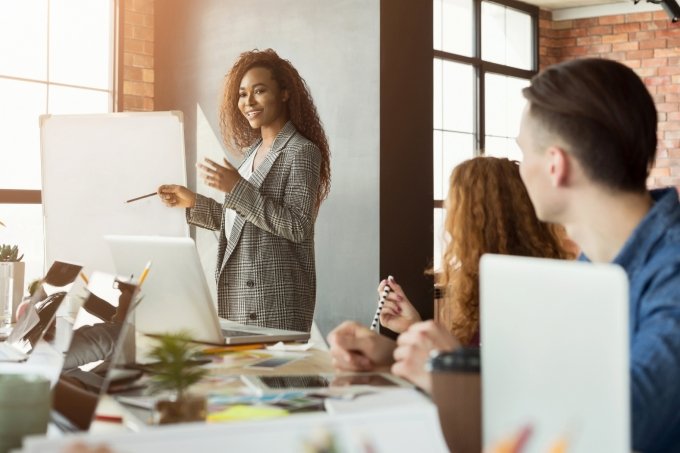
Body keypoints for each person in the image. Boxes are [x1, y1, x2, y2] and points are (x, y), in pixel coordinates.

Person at [332, 58, 680, 452]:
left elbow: (609, 429)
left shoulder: (672, 273)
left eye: (523, 153)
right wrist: (398, 356)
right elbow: (547, 383)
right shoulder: (597, 266)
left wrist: (445, 369)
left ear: (555, 165)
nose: (520, 169)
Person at [329, 156, 573, 391]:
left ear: (478, 225)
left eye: (455, 211)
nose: (449, 227)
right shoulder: (491, 288)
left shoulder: (531, 303)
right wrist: (412, 326)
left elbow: (487, 389)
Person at [158, 49, 331, 333]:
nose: (248, 101)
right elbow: (242, 223)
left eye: (259, 91)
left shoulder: (302, 151)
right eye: (242, 94)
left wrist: (236, 187)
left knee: (273, 378)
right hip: (240, 296)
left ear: (285, 93)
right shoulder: (252, 153)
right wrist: (192, 203)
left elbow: (298, 225)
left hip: (274, 303)